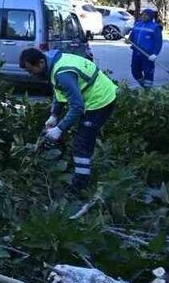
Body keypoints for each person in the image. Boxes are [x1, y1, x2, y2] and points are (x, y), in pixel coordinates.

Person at [19, 47, 118, 192]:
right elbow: (59, 91)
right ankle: (79, 171)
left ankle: (80, 187)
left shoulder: (62, 73)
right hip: (92, 98)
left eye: (30, 70)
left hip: (100, 100)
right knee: (80, 137)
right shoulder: (53, 63)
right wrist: (54, 115)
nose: (31, 74)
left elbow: (77, 107)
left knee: (81, 143)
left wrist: (59, 129)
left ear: (40, 62)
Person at [127, 7, 163, 88]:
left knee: (148, 73)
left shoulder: (155, 27)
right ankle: (143, 85)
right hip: (136, 52)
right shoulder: (137, 24)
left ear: (151, 16)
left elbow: (158, 42)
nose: (144, 16)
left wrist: (155, 54)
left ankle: (148, 91)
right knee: (135, 71)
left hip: (148, 55)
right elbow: (132, 36)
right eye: (143, 14)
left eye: (146, 15)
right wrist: (129, 40)